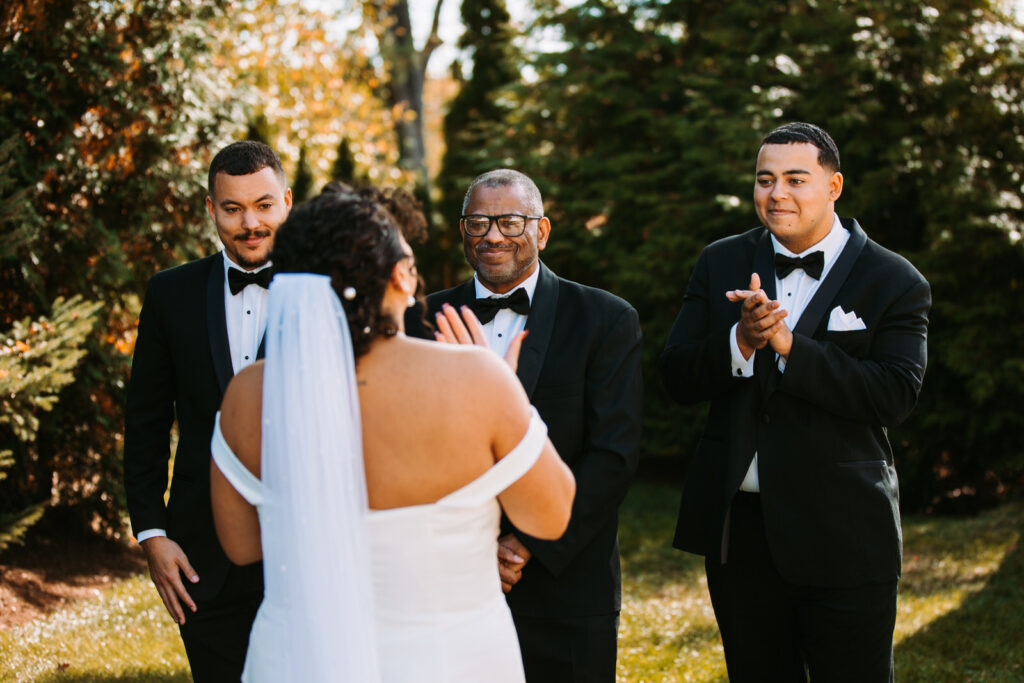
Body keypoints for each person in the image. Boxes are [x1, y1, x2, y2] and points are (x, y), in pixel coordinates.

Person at [208, 183, 576, 682]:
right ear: (402, 277)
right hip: (449, 661)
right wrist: (510, 398)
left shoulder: (247, 395)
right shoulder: (478, 380)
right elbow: (551, 516)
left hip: (297, 660)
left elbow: (244, 547)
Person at [661, 122, 931, 681]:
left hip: (846, 532)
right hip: (744, 536)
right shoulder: (720, 262)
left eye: (794, 179)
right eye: (764, 179)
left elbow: (893, 395)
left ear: (834, 186)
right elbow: (676, 376)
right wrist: (741, 343)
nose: (776, 193)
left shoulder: (895, 279)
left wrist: (788, 345)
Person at [412, 169, 644, 682]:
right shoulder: (420, 322)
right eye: (478, 222)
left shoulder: (605, 319)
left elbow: (613, 456)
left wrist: (525, 545)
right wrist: (467, 545)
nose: (493, 235)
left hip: (567, 585)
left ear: (540, 232)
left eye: (510, 221)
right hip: (448, 583)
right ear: (462, 232)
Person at [123, 140, 291, 680]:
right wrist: (151, 534)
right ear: (210, 208)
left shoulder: (327, 293)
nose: (250, 223)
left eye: (264, 205)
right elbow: (145, 419)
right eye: (232, 208)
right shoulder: (170, 293)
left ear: (287, 202)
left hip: (304, 550)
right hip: (202, 560)